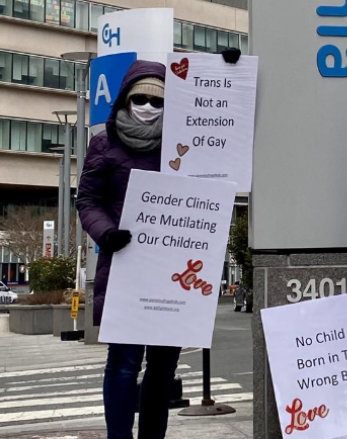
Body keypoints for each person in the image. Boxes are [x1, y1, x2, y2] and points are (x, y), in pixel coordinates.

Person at [77, 49, 241, 439]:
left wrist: (224, 70)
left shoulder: (185, 142)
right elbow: (87, 200)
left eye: (158, 100)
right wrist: (106, 233)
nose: (149, 106)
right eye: (141, 98)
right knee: (123, 363)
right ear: (125, 99)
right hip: (124, 268)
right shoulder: (103, 144)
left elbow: (221, 132)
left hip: (172, 273)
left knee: (164, 368)